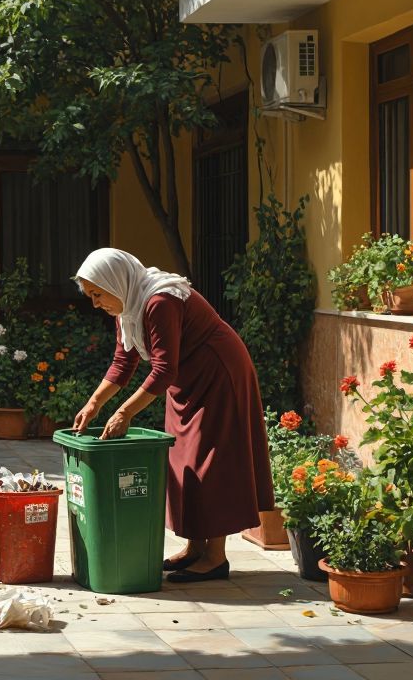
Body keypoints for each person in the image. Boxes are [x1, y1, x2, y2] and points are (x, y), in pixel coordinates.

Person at [71, 248, 274, 584]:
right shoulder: (128, 307)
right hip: (186, 379)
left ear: (115, 282)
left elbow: (163, 370)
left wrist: (124, 412)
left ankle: (215, 557)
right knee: (184, 461)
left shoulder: (159, 301)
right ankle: (195, 547)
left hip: (218, 373)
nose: (95, 303)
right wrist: (94, 404)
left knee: (211, 462)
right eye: (90, 296)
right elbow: (124, 362)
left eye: (97, 294)